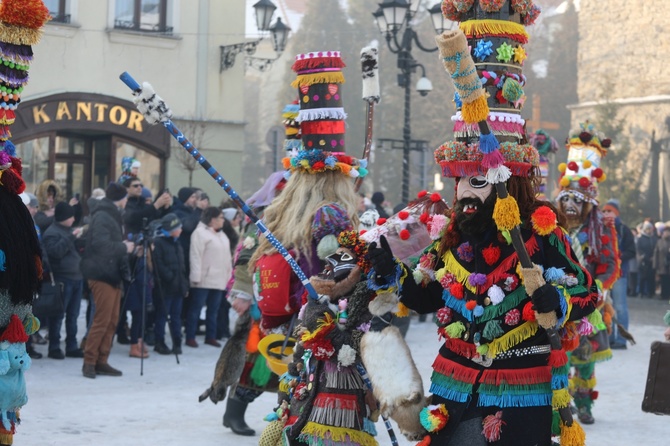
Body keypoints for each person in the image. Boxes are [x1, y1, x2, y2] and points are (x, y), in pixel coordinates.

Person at [365, 13, 596, 443]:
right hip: (454, 388)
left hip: (519, 391)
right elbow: (421, 295)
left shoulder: (541, 234)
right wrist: (390, 273)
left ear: (507, 182)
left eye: (478, 180)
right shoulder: (451, 238)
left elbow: (588, 292)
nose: (465, 193)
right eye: (460, 181)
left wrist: (556, 300)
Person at [555, 121, 620, 425]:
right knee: (558, 359)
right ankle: (560, 406)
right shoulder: (553, 228)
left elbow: (610, 264)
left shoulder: (600, 229)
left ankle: (585, 406)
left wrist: (603, 287)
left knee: (584, 360)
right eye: (565, 200)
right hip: (560, 304)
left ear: (588, 205)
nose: (569, 205)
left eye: (576, 201)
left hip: (590, 306)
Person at [79, 182, 134, 379]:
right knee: (102, 320)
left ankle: (102, 360)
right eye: (125, 197)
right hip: (101, 273)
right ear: (118, 199)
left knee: (111, 321)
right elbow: (101, 245)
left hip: (112, 273)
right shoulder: (103, 215)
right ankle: (90, 362)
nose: (127, 200)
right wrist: (124, 247)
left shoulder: (113, 215)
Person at [42, 202, 85, 359]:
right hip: (62, 279)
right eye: (71, 216)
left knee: (73, 315)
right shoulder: (52, 233)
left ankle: (71, 346)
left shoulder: (68, 230)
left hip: (77, 278)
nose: (74, 218)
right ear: (64, 217)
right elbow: (55, 253)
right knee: (58, 315)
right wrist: (71, 237)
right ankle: (54, 347)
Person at [185, 207, 232, 348]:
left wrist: (229, 278)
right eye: (221, 218)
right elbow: (195, 256)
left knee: (214, 310)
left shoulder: (222, 235)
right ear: (212, 219)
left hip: (219, 279)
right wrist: (195, 276)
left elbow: (228, 258)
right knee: (196, 309)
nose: (223, 220)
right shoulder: (200, 233)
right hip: (203, 279)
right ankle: (190, 336)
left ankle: (210, 336)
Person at [152, 213, 189, 355]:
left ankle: (177, 342)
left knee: (176, 316)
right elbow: (158, 264)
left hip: (178, 288)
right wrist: (170, 277)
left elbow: (182, 267)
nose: (180, 230)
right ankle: (159, 342)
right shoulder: (160, 243)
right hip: (165, 288)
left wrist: (184, 285)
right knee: (162, 315)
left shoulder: (177, 244)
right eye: (178, 228)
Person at [602, 199, 636, 349]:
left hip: (620, 274)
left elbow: (632, 251)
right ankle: (609, 337)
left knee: (620, 306)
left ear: (616, 213)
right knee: (607, 305)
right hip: (605, 274)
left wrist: (617, 257)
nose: (606, 214)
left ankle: (621, 340)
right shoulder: (601, 228)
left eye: (609, 211)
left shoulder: (624, 229)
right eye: (604, 211)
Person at [637, 221, 657, 298]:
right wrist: (644, 256)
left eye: (650, 229)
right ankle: (641, 292)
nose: (649, 230)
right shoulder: (641, 238)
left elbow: (656, 248)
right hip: (643, 261)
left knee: (651, 277)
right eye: (647, 229)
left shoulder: (653, 238)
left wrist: (653, 257)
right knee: (642, 277)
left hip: (652, 260)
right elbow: (639, 249)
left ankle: (651, 292)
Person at [653, 226, 670, 301]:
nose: (667, 233)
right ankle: (663, 294)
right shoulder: (659, 242)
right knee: (662, 281)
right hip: (661, 264)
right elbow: (656, 254)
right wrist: (655, 265)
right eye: (665, 232)